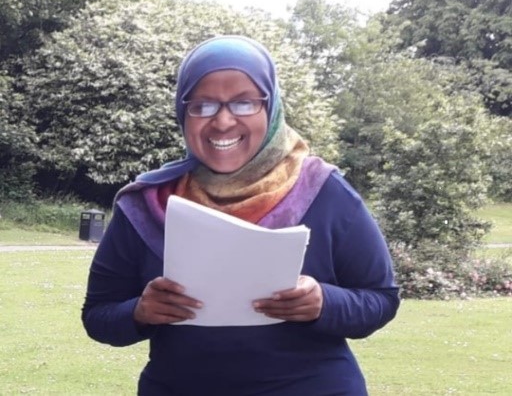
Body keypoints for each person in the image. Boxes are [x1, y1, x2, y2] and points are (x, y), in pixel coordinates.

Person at [82, 35, 400, 396]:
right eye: (202, 105)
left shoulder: (324, 190)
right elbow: (98, 315)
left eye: (244, 103)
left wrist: (325, 302)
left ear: (271, 106)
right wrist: (139, 312)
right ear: (182, 112)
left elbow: (381, 299)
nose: (222, 121)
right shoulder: (148, 202)